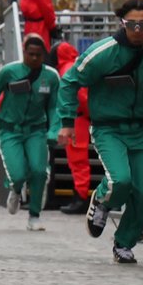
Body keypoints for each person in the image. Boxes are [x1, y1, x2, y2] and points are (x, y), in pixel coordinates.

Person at [58, 0, 143, 264]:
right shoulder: (103, 52)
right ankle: (102, 200)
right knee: (120, 180)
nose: (138, 30)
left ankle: (124, 244)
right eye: (132, 24)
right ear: (122, 23)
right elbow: (70, 81)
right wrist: (67, 122)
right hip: (109, 129)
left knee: (142, 195)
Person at [0, 34, 61, 230]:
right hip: (10, 130)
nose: (34, 58)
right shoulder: (9, 72)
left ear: (44, 55)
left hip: (36, 130)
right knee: (18, 173)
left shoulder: (51, 77)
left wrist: (53, 131)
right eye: (30, 54)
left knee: (39, 170)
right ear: (24, 52)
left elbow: (54, 107)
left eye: (38, 55)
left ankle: (34, 216)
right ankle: (16, 188)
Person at [54, 41, 92, 214]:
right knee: (77, 160)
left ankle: (81, 197)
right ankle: (81, 195)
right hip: (80, 118)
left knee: (77, 160)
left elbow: (80, 96)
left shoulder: (66, 69)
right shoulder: (75, 65)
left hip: (77, 119)